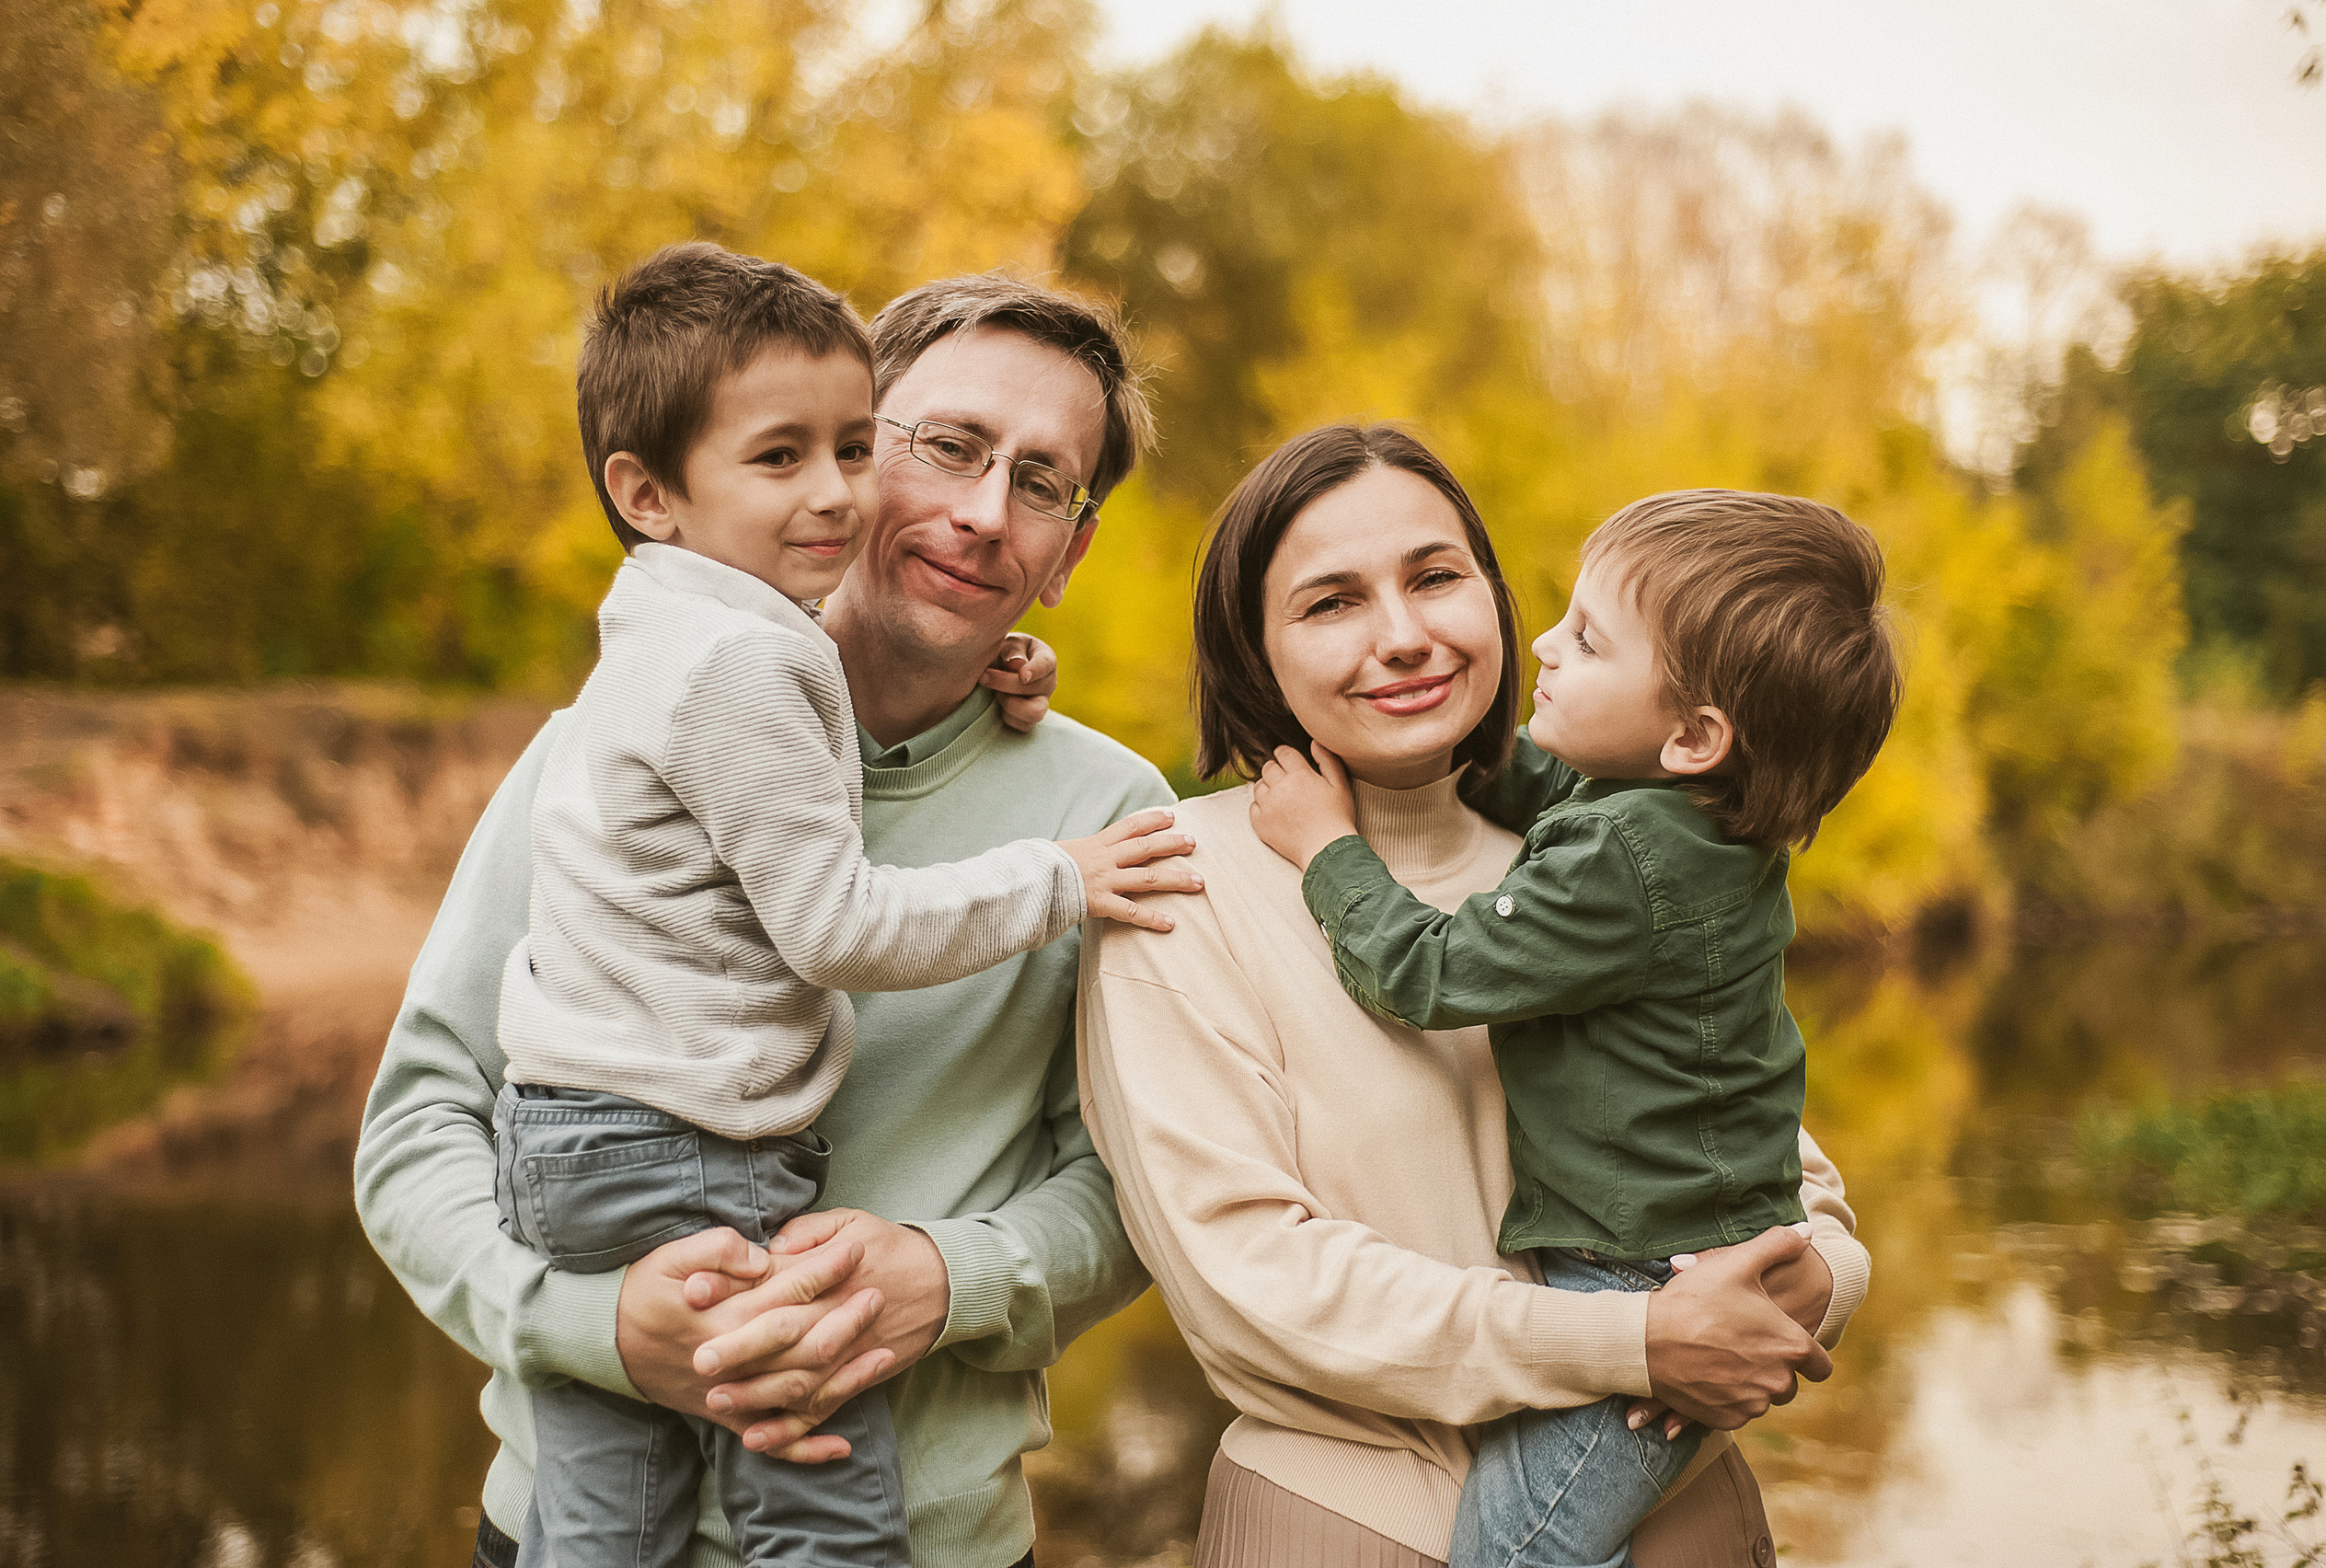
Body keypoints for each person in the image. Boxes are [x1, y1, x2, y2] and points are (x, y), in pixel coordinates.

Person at [356, 269, 1171, 1568]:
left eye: (1039, 483)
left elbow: (1144, 1195)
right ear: (852, 453)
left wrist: (949, 1278)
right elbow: (416, 1129)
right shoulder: (609, 741)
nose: (980, 512)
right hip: (565, 1528)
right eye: (947, 445)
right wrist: (587, 1322)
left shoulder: (1114, 819)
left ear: (1068, 553)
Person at [1077, 425, 1872, 1568]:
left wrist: (1801, 1288)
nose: (1403, 635)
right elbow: (1259, 1286)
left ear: (1491, 599)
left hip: (1675, 1506)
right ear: (1253, 650)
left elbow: (1765, 1169)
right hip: (1353, 1523)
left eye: (1436, 577)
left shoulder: (1594, 848)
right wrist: (1635, 1340)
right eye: (1331, 601)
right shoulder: (1175, 886)